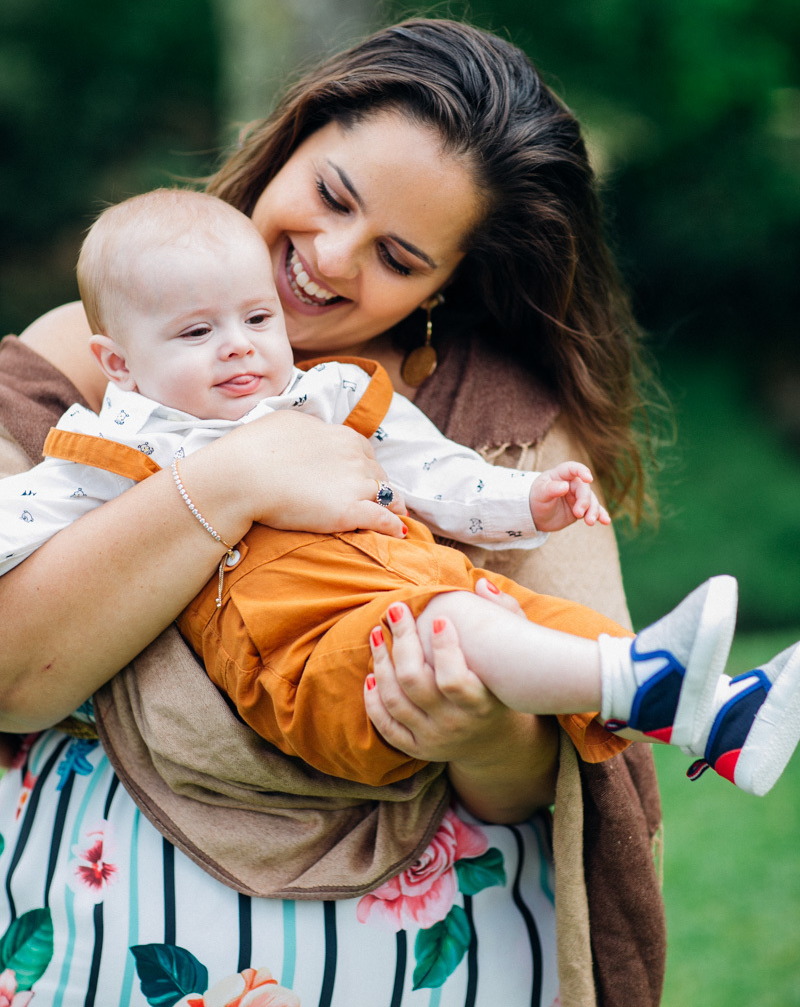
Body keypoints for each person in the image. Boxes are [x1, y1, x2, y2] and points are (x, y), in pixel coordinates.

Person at [0, 18, 669, 1007]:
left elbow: (574, 765)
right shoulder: (89, 360)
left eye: (397, 257)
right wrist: (236, 479)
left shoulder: (505, 430)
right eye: (331, 195)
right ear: (290, 142)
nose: (329, 257)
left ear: (445, 284)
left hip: (427, 965)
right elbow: (12, 677)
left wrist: (482, 737)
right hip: (94, 938)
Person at [5, 189, 798, 799]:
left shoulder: (327, 396)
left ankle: (722, 718)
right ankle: (636, 682)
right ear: (118, 363)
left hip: (422, 603)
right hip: (313, 658)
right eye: (197, 332)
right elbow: (24, 527)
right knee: (460, 621)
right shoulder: (117, 451)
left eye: (256, 318)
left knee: (539, 621)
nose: (239, 346)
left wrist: (527, 500)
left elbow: (435, 471)